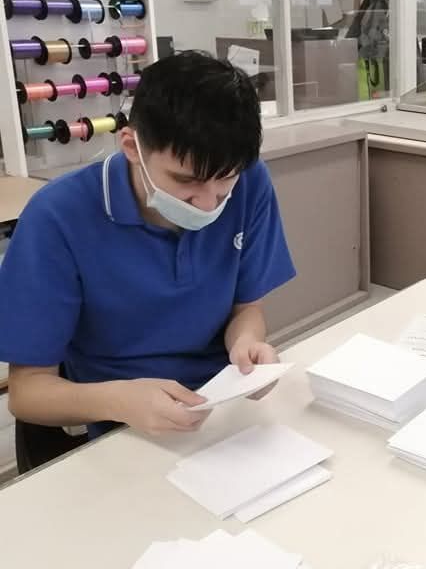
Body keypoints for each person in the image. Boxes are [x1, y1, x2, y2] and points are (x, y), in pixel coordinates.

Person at [0, 51, 295, 439]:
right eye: (186, 180)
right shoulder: (59, 216)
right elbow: (27, 393)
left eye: (224, 182)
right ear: (131, 148)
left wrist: (247, 343)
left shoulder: (251, 180)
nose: (209, 203)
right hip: (120, 423)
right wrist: (118, 401)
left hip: (220, 406)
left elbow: (247, 308)